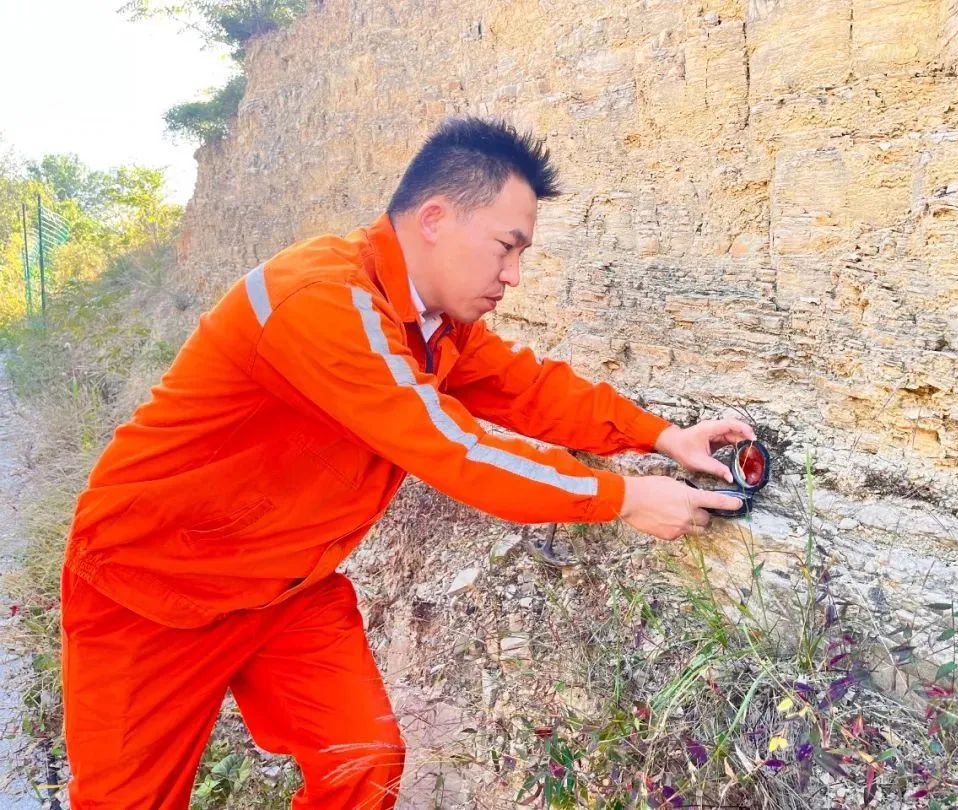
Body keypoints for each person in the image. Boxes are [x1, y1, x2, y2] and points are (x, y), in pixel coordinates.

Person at [60, 117, 752, 808]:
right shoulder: (320, 300)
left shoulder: (431, 321)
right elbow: (455, 449)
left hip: (287, 587)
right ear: (435, 219)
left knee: (363, 765)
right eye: (506, 247)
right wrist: (625, 498)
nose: (513, 276)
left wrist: (662, 435)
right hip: (153, 586)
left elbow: (524, 387)